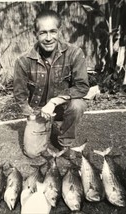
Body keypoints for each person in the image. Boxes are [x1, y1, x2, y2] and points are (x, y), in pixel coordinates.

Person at [13, 10, 90, 159]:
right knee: (32, 153)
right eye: (43, 33)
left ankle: (65, 142)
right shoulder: (23, 61)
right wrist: (30, 115)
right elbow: (20, 94)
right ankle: (45, 128)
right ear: (35, 33)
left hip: (62, 106)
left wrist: (54, 102)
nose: (48, 38)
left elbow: (82, 87)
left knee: (78, 105)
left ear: (59, 31)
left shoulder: (74, 53)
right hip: (39, 111)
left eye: (52, 31)